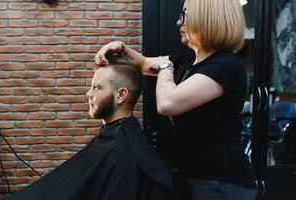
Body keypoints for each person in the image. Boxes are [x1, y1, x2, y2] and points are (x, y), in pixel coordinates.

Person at [95, 0, 257, 199]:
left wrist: (165, 67)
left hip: (222, 183)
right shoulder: (187, 61)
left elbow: (168, 103)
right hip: (194, 175)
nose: (178, 22)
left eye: (184, 15)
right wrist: (121, 48)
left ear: (206, 19)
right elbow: (145, 64)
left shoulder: (226, 66)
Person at [4, 54, 174, 200]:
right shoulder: (116, 138)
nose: (88, 94)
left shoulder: (122, 150)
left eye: (96, 87)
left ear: (121, 95)